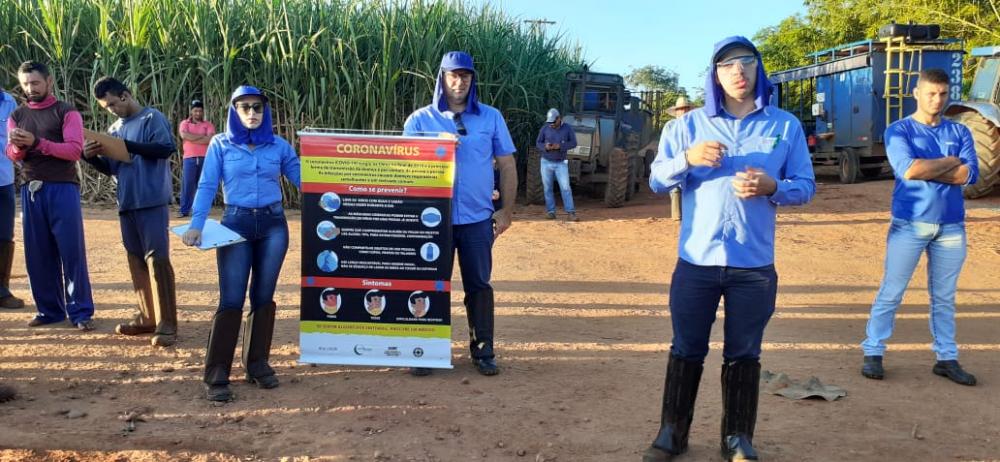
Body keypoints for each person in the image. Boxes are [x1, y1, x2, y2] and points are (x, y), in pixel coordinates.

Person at [642, 37, 816, 462]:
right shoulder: (686, 127)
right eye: (727, 65)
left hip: (753, 266)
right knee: (686, 348)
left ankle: (737, 438)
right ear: (714, 75)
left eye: (746, 62)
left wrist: (774, 187)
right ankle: (672, 433)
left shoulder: (785, 126)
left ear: (758, 68)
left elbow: (806, 186)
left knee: (744, 353)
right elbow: (657, 180)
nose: (738, 71)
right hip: (696, 262)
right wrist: (688, 158)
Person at [181, 85, 301, 402]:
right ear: (234, 111)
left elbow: (305, 180)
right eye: (244, 107)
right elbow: (207, 185)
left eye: (257, 107)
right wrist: (196, 225)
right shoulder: (221, 144)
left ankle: (257, 364)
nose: (252, 113)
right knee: (232, 298)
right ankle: (217, 373)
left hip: (273, 225)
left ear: (265, 111)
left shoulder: (278, 146)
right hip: (236, 224)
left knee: (263, 296)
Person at [860, 68, 979, 386]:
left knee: (944, 297)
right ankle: (873, 351)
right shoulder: (899, 130)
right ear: (917, 93)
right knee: (892, 291)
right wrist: (951, 160)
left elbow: (969, 175)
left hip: (951, 227)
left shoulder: (960, 131)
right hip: (909, 224)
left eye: (943, 94)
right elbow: (909, 170)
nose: (937, 100)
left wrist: (931, 167)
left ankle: (946, 358)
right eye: (931, 93)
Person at [403, 51, 517, 377]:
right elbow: (403, 168)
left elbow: (507, 164)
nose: (459, 82)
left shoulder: (491, 117)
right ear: (442, 78)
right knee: (429, 284)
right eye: (453, 75)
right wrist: (433, 148)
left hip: (477, 219)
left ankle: (483, 351)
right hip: (431, 221)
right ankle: (424, 352)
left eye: (465, 75)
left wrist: (506, 211)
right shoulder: (419, 121)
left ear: (472, 79)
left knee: (479, 284)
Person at [83, 76, 179, 347]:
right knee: (135, 259)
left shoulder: (151, 118)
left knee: (157, 259)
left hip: (151, 199)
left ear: (125, 95)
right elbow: (112, 168)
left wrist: (127, 146)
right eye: (106, 108)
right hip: (126, 201)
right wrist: (90, 157)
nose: (111, 110)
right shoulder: (114, 129)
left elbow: (165, 149)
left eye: (113, 104)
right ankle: (147, 316)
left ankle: (167, 323)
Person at [5, 61, 96, 331]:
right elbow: (12, 155)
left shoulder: (66, 112)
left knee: (71, 251)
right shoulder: (17, 115)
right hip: (31, 189)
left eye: (35, 83)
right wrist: (18, 148)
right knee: (38, 254)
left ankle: (80, 312)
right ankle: (49, 311)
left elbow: (74, 150)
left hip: (62, 187)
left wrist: (36, 143)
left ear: (49, 81)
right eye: (25, 84)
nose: (30, 89)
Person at [0, 85, 25, 309]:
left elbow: (15, 141)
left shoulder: (9, 102)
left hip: (3, 178)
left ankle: (2, 291)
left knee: (4, 236)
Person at [535, 108, 578, 221]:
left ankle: (571, 212)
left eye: (553, 122)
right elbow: (538, 143)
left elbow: (574, 143)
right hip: (546, 162)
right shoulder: (545, 128)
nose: (551, 124)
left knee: (565, 187)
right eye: (549, 122)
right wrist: (545, 147)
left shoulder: (567, 128)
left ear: (559, 119)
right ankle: (551, 212)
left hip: (561, 163)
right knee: (547, 188)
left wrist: (560, 146)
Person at [177, 99, 215, 218]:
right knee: (187, 185)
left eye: (200, 111)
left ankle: (200, 211)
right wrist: (202, 136)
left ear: (203, 112)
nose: (198, 113)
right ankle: (184, 210)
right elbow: (184, 135)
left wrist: (192, 138)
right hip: (189, 158)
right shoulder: (184, 123)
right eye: (195, 111)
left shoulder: (208, 124)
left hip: (205, 158)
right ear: (191, 111)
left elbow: (210, 139)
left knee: (203, 184)